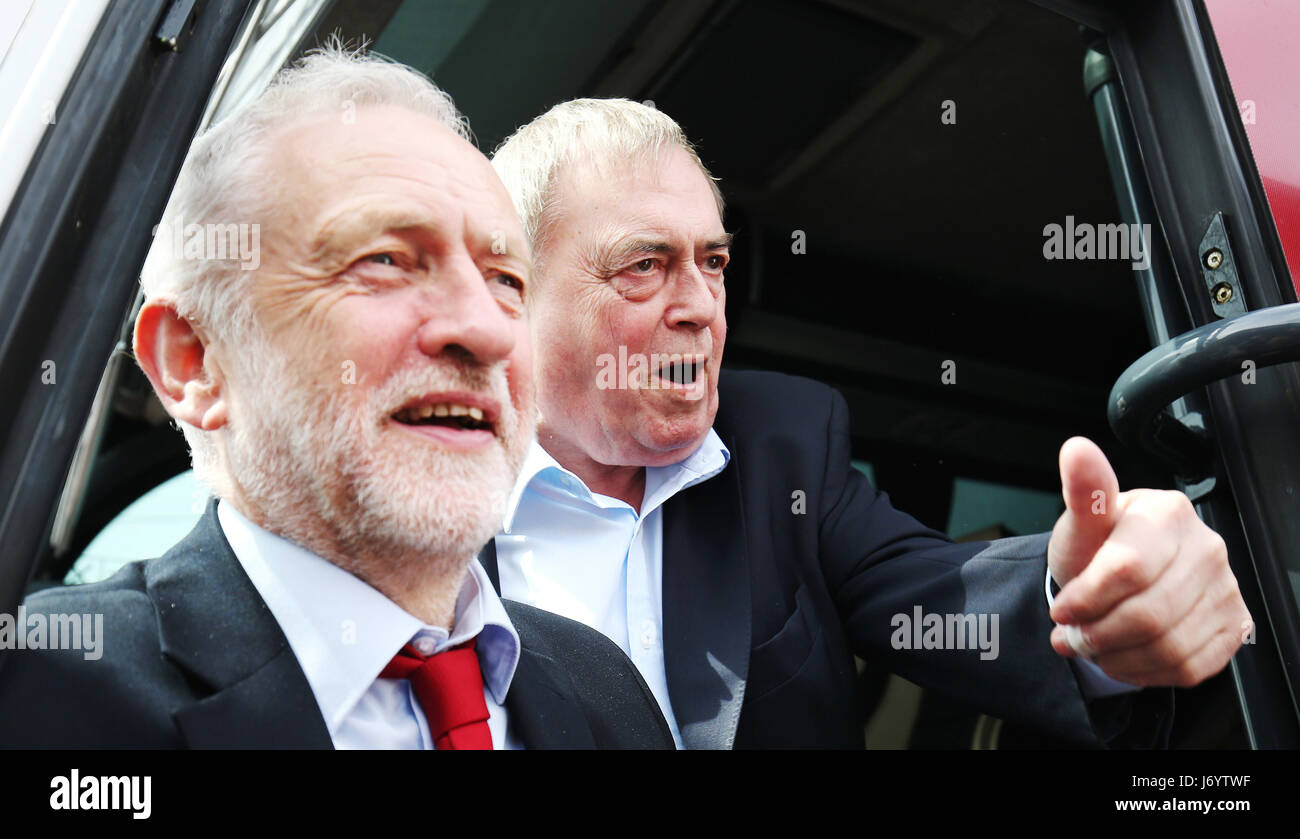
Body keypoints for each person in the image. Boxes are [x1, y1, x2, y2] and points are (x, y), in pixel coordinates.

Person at [484, 98, 1252, 749]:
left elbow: (952, 600)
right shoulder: (424, 504)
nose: (700, 306)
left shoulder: (782, 447)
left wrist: (1094, 596)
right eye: (644, 266)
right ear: (515, 291)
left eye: (712, 263)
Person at [0, 52, 672, 749]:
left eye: (506, 278)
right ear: (195, 360)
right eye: (384, 260)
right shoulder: (43, 694)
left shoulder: (608, 694)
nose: (484, 328)